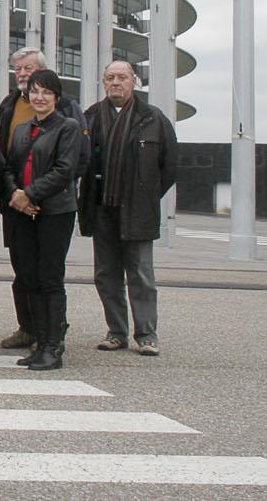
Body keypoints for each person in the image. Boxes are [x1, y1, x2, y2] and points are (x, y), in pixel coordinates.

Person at [79, 60, 178, 357]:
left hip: (137, 211)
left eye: (122, 77)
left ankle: (147, 334)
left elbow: (169, 167)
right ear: (103, 81)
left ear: (134, 81)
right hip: (102, 209)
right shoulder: (92, 117)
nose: (116, 83)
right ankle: (116, 332)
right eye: (110, 77)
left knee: (141, 274)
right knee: (106, 274)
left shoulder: (153, 118)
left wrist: (146, 195)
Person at [0, 48, 89, 350]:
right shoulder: (15, 115)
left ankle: (52, 339)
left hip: (53, 208)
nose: (38, 95)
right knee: (26, 273)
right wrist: (14, 195)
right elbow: (7, 160)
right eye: (19, 70)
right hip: (19, 208)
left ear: (56, 96)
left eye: (45, 91)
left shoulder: (69, 120)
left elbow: (71, 165)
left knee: (49, 276)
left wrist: (32, 194)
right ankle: (31, 330)